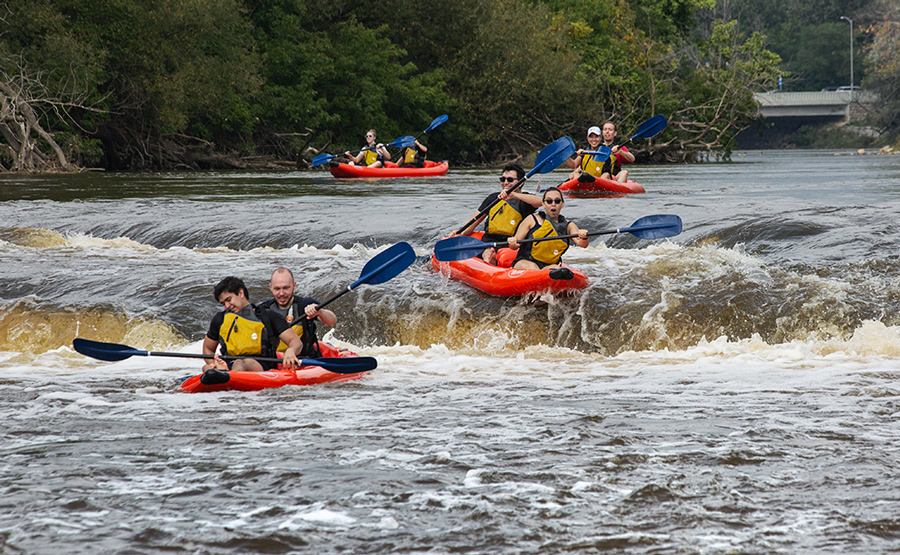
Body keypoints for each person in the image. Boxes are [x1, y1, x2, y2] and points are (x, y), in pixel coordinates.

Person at [201, 276, 303, 374]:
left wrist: (291, 350)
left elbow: (296, 342)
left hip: (261, 366)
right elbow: (208, 348)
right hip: (229, 364)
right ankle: (223, 372)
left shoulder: (268, 316)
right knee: (206, 367)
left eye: (229, 300)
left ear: (241, 293)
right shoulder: (220, 319)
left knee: (242, 362)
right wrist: (213, 363)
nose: (227, 306)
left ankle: (227, 375)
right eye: (223, 303)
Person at [452, 163, 543, 265]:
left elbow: (542, 201)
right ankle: (488, 264)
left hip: (511, 243)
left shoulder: (524, 200)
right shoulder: (493, 198)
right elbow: (473, 222)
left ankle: (492, 262)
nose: (505, 182)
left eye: (510, 180)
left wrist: (514, 195)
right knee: (487, 252)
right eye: (502, 179)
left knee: (496, 254)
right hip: (489, 241)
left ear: (520, 183)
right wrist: (459, 234)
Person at [257, 267, 337, 358]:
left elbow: (332, 321)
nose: (281, 293)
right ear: (271, 287)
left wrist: (319, 312)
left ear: (294, 286)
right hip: (274, 361)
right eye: (277, 289)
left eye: (286, 288)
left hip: (305, 361)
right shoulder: (263, 309)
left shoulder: (304, 304)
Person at [506, 187, 589, 272]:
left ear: (562, 204)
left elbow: (582, 244)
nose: (553, 204)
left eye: (557, 201)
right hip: (525, 261)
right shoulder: (531, 219)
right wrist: (513, 242)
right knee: (533, 268)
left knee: (556, 269)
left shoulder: (569, 225)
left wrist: (584, 237)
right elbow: (515, 246)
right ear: (543, 204)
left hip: (549, 265)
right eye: (549, 201)